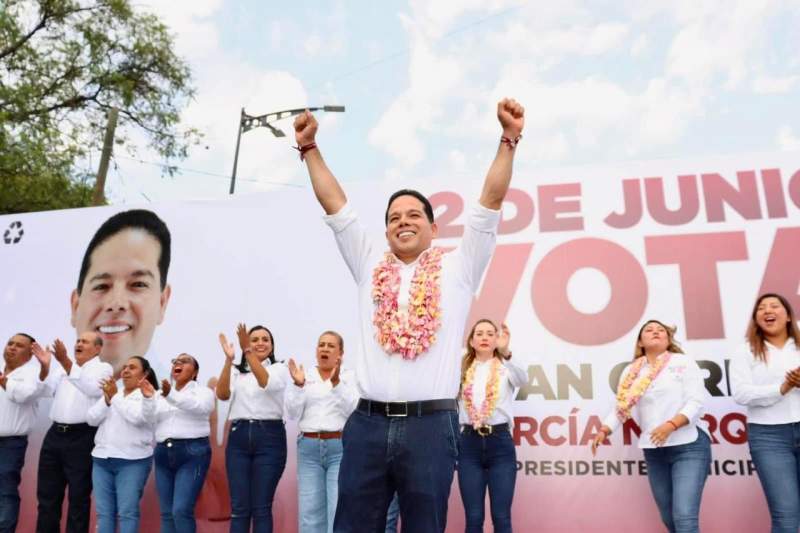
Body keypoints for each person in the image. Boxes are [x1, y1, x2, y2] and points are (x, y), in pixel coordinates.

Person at [293, 97, 525, 532]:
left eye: (415, 214)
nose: (404, 221)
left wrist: (508, 139)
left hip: (430, 428)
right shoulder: (368, 264)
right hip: (366, 424)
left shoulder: (458, 268)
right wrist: (309, 149)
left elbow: (489, 203)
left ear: (434, 229)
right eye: (394, 216)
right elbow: (336, 207)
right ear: (385, 231)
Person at [591, 320, 711, 533]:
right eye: (649, 330)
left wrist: (671, 425)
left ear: (668, 339)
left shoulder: (683, 362)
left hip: (688, 445)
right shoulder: (631, 371)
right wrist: (604, 430)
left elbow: (696, 402)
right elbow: (621, 408)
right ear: (640, 342)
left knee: (684, 515)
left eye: (661, 330)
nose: (655, 332)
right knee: (668, 516)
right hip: (655, 450)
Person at [730, 293, 800, 533]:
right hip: (769, 437)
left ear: (789, 316)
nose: (767, 311)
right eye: (761, 308)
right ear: (756, 319)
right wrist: (782, 388)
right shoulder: (745, 351)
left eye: (774, 306)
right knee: (786, 514)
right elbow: (741, 394)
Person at [71, 209, 172, 373]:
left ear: (162, 303)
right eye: (101, 286)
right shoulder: (53, 386)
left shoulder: (173, 396)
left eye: (138, 284)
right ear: (75, 306)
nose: (116, 304)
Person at [36, 332, 113, 533]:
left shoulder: (103, 368)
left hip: (82, 437)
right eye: (78, 340)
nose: (78, 344)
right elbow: (43, 390)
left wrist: (65, 362)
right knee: (47, 497)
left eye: (85, 341)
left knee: (78, 497)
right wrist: (45, 367)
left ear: (97, 349)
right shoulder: (63, 369)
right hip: (54, 435)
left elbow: (91, 389)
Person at [216, 324, 289, 533]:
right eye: (254, 339)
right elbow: (222, 395)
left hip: (269, 438)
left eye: (265, 339)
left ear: (272, 345)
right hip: (238, 438)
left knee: (261, 508)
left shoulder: (279, 368)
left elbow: (265, 381)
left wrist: (247, 350)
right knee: (239, 508)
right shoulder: (237, 371)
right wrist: (229, 360)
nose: (259, 343)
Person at [286, 331, 359, 533]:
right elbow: (292, 413)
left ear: (340, 353)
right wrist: (298, 385)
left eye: (330, 345)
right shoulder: (304, 375)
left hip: (340, 448)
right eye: (321, 345)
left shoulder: (350, 377)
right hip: (308, 448)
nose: (324, 348)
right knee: (310, 514)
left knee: (339, 510)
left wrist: (336, 384)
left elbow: (354, 411)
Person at [457, 320, 525, 533]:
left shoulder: (506, 368)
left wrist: (507, 353)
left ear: (497, 340)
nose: (485, 337)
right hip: (469, 444)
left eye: (490, 333)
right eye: (479, 333)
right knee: (474, 517)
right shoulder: (460, 368)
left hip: (500, 444)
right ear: (471, 341)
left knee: (501, 516)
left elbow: (523, 379)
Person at [87, 355, 158, 533]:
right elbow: (91, 419)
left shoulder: (150, 395)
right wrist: (106, 400)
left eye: (132, 367)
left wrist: (114, 397)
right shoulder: (113, 393)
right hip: (102, 460)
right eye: (125, 367)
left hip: (132, 461)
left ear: (145, 373)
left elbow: (137, 418)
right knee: (104, 513)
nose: (126, 370)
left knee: (127, 513)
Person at [154, 353, 215, 533]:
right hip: (163, 452)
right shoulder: (161, 393)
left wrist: (171, 395)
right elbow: (150, 418)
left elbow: (201, 408)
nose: (178, 363)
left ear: (195, 372)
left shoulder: (203, 392)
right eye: (175, 361)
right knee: (166, 513)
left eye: (184, 361)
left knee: (180, 510)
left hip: (192, 453)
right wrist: (149, 399)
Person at [0, 333, 50, 532]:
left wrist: (4, 382)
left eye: (19, 346)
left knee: (5, 492)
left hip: (10, 444)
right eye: (10, 343)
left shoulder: (32, 374)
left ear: (30, 354)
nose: (12, 347)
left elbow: (24, 395)